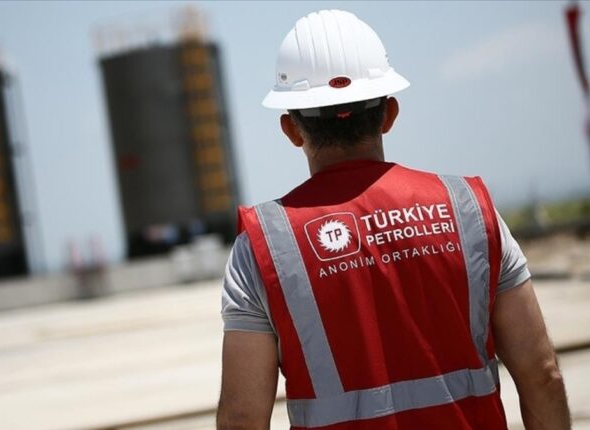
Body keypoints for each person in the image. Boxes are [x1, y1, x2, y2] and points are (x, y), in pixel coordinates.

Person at [216, 9, 570, 430]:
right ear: (389, 114)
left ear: (291, 130)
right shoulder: (470, 211)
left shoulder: (265, 247)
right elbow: (542, 375)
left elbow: (242, 418)